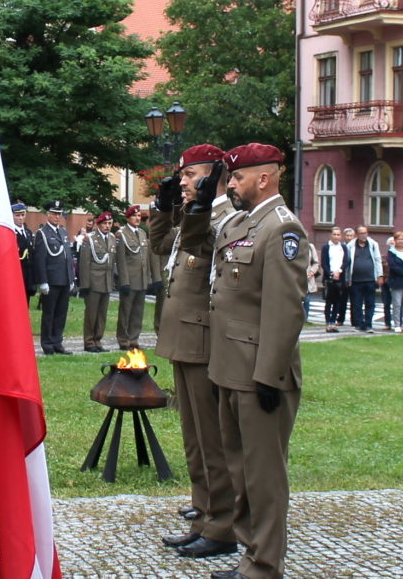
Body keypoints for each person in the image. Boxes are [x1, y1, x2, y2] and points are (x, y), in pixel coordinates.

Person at [205, 143, 307, 579]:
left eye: (237, 178)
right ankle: (251, 557)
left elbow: (286, 310)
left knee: (263, 477)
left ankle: (264, 566)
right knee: (241, 469)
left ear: (264, 178)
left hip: (259, 374)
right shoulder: (245, 223)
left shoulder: (283, 229)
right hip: (231, 368)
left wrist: (269, 375)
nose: (230, 185)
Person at [156, 143, 239, 561]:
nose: (184, 182)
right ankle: (205, 509)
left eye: (190, 176)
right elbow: (163, 245)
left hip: (204, 339)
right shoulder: (201, 213)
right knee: (195, 437)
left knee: (212, 438)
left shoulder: (226, 216)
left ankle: (221, 523)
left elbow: (201, 248)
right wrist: (166, 206)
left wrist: (195, 206)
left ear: (211, 177)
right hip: (184, 337)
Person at [33, 200, 74, 355]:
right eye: (54, 214)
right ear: (48, 215)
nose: (57, 217)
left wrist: (71, 279)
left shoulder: (62, 232)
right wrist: (43, 281)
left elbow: (68, 258)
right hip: (51, 280)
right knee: (49, 314)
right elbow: (40, 260)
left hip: (63, 279)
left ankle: (58, 342)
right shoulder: (42, 234)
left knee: (61, 314)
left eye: (59, 214)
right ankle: (47, 343)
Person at [115, 205, 153, 350]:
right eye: (134, 216)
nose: (137, 219)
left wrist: (148, 278)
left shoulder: (143, 233)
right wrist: (124, 281)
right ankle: (123, 339)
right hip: (129, 279)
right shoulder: (121, 234)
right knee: (126, 311)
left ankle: (134, 338)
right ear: (128, 218)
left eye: (139, 216)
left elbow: (146, 258)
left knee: (138, 311)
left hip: (141, 279)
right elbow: (121, 260)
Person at [78, 211, 116, 352]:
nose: (107, 226)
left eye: (109, 223)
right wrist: (85, 285)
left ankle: (98, 340)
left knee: (102, 314)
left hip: (106, 282)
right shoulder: (90, 239)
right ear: (98, 224)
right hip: (94, 283)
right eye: (104, 223)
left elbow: (112, 262)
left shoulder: (112, 238)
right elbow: (84, 263)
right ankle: (89, 342)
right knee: (91, 314)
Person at [346, 226, 383, 333]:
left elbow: (377, 260)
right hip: (355, 280)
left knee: (370, 303)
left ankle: (368, 325)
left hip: (370, 279)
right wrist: (347, 278)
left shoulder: (373, 245)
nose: (363, 235)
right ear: (357, 234)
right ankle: (358, 324)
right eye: (361, 233)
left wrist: (379, 275)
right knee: (356, 303)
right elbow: (347, 263)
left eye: (365, 233)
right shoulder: (350, 246)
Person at [320, 227, 350, 332]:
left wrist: (340, 271)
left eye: (338, 234)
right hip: (329, 277)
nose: (336, 236)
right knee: (329, 301)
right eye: (334, 234)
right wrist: (331, 273)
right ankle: (328, 322)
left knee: (337, 301)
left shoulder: (343, 247)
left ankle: (334, 322)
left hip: (340, 277)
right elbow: (324, 263)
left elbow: (346, 261)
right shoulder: (326, 247)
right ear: (331, 235)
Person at [386, 231, 403, 333]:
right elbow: (393, 265)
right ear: (395, 240)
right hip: (397, 280)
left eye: (402, 239)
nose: (400, 241)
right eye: (398, 239)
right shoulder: (391, 252)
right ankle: (397, 324)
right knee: (397, 303)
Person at [13, 201, 37, 301]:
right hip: (16, 273)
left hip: (28, 275)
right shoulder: (10, 233)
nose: (21, 218)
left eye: (22, 215)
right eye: (17, 215)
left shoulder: (28, 232)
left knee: (26, 301)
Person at [304, 241, 321, 321]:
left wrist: (311, 272)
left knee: (307, 300)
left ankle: (305, 319)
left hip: (308, 278)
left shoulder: (310, 247)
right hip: (295, 279)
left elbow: (316, 262)